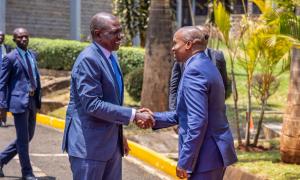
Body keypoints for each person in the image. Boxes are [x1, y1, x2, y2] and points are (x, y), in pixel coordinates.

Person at [62, 12, 153, 180]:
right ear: (98, 34)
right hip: (89, 147)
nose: (121, 36)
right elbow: (92, 104)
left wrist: (119, 136)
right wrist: (133, 115)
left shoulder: (111, 56)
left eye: (121, 31)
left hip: (110, 145)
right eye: (115, 32)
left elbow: (111, 102)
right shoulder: (89, 60)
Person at [141, 26, 237, 179]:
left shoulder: (195, 71)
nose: (172, 48)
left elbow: (197, 121)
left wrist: (185, 161)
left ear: (188, 44)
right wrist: (154, 118)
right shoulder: (205, 65)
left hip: (205, 156)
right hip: (213, 154)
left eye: (175, 43)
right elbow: (184, 114)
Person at [0, 28, 41, 180]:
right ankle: (27, 173)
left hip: (32, 100)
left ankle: (1, 159)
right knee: (23, 139)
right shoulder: (9, 58)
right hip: (18, 102)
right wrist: (2, 105)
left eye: (26, 36)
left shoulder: (32, 55)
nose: (23, 39)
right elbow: (2, 83)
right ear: (14, 40)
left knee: (28, 136)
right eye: (20, 37)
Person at [168, 25, 228, 111]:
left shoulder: (217, 56)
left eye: (206, 37)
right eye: (201, 36)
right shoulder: (182, 57)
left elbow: (223, 85)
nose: (204, 39)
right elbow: (174, 86)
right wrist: (174, 111)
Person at [0, 31, 12, 127]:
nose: (0, 37)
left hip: (4, 79)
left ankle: (3, 120)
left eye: (2, 36)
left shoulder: (7, 49)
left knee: (3, 101)